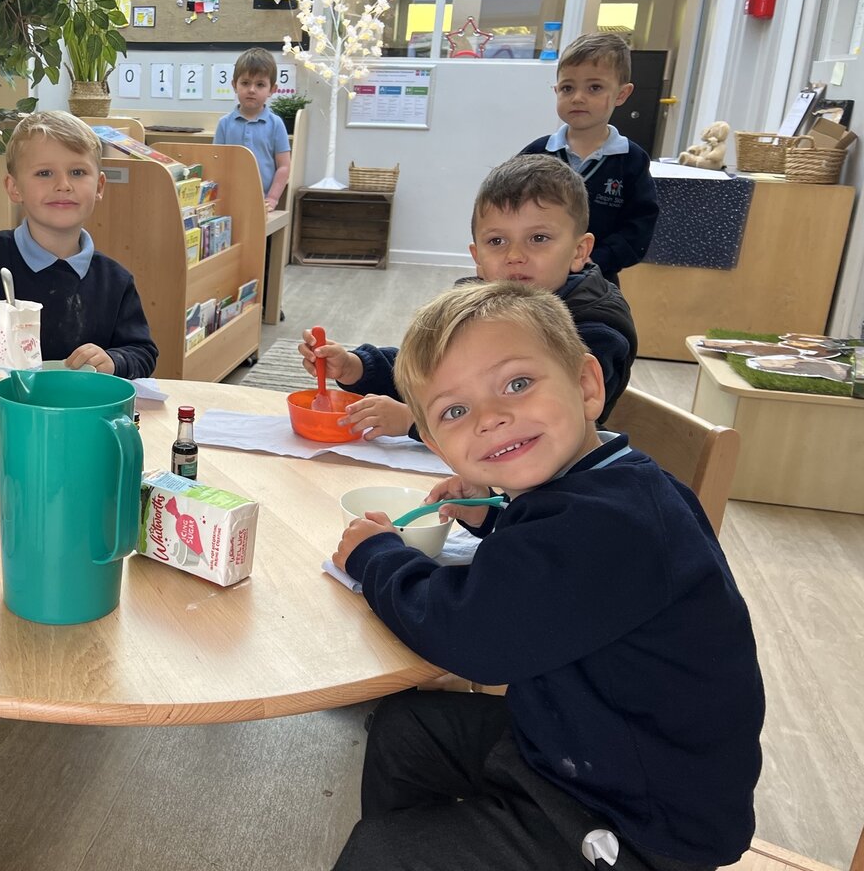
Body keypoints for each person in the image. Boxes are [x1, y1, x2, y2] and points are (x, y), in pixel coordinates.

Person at [328, 281, 765, 871]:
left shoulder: (612, 522)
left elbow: (475, 638)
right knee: (410, 730)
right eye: (455, 411)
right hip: (583, 740)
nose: (491, 418)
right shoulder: (606, 482)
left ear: (587, 385)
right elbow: (556, 571)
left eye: (516, 383)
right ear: (435, 443)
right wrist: (496, 516)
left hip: (638, 818)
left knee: (383, 855)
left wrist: (377, 555)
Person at [300, 154, 638, 439]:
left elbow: (541, 429)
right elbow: (431, 372)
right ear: (477, 257)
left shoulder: (596, 329)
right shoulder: (475, 305)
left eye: (538, 238)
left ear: (580, 251)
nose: (515, 255)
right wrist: (356, 367)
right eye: (497, 241)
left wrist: (414, 422)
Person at [0, 109, 157, 383]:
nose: (63, 185)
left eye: (78, 172)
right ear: (14, 188)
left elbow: (142, 352)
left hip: (81, 413)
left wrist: (114, 361)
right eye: (44, 173)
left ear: (99, 186)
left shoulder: (115, 280)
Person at [519, 31, 658, 283]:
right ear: (556, 91)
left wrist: (598, 259)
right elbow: (507, 209)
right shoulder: (536, 154)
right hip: (535, 274)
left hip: (597, 279)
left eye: (594, 87)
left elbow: (639, 225)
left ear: (622, 94)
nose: (578, 97)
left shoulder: (632, 160)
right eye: (567, 88)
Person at [213, 47, 292, 212]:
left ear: (272, 90)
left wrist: (272, 198)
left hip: (262, 204)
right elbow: (216, 163)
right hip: (229, 202)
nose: (251, 90)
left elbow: (284, 166)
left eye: (260, 84)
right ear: (234, 85)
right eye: (245, 83)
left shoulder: (276, 124)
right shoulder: (224, 124)